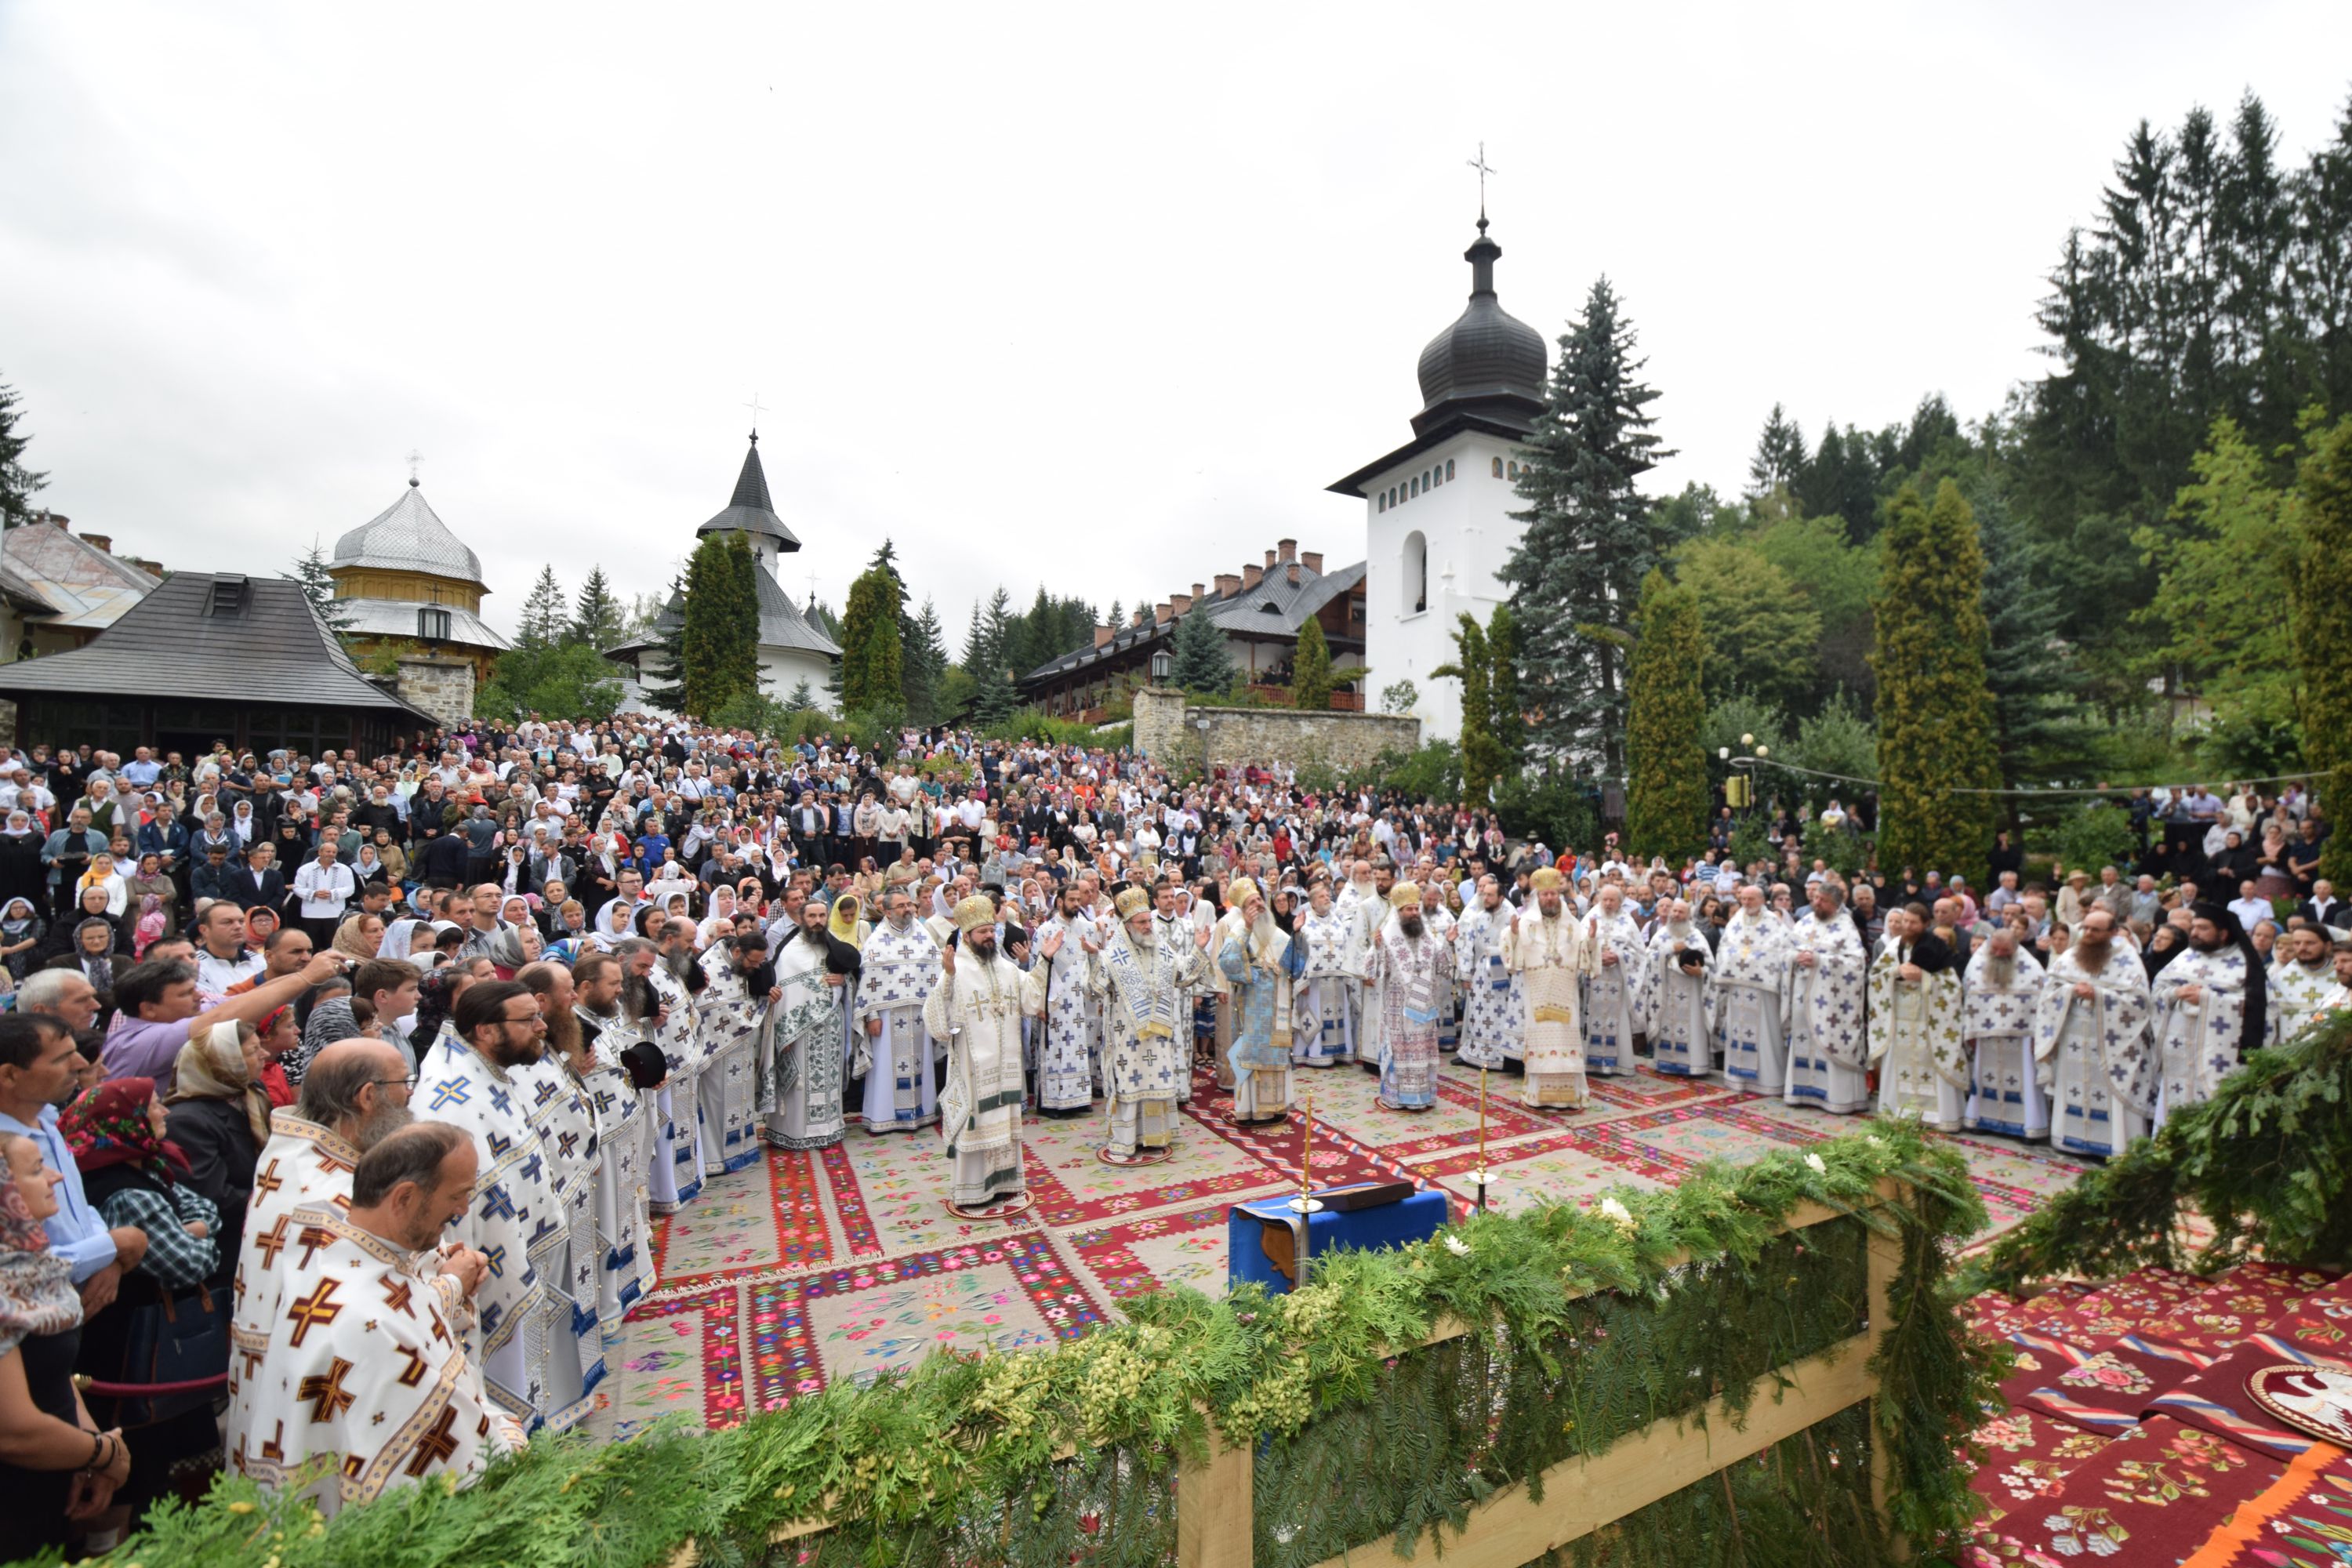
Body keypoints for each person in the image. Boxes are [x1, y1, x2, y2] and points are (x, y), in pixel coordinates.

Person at [233, 1123, 521, 1519]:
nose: (463, 1212)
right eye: (457, 1196)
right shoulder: (365, 1321)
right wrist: (508, 1436)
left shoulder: (341, 1258)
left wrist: (451, 1283)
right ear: (404, 1197)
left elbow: (412, 1309)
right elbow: (454, 1461)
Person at [414, 981, 588, 1433]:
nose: (542, 1027)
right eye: (528, 1020)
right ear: (487, 1031)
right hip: (489, 1265)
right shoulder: (451, 1097)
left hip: (522, 1241)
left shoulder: (484, 1068)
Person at [57, 1077, 223, 1521]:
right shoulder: (128, 1188)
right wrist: (198, 1236)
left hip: (144, 1345)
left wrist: (189, 1230)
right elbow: (189, 1264)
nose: (165, 1112)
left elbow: (204, 1210)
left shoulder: (140, 1166)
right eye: (153, 1105)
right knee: (143, 1473)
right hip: (138, 1353)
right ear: (124, 1122)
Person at [0, 1132, 131, 1563]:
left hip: (45, 1488)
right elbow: (14, 1432)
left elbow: (53, 1374)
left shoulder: (28, 1265)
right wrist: (105, 1453)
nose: (56, 1177)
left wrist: (89, 1446)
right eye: (37, 1170)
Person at [0, 1013, 147, 1314]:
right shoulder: (6, 1148)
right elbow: (12, 1268)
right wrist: (113, 1246)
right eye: (61, 1059)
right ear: (10, 1075)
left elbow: (77, 1208)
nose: (80, 1064)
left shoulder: (48, 1121)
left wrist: (108, 1255)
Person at [925, 895, 1047, 1215]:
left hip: (1004, 1069)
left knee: (1004, 1122)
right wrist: (948, 977)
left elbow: (1032, 1000)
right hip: (972, 1068)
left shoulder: (1005, 968)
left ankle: (1005, 1185)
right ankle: (971, 1191)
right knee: (975, 1124)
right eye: (983, 932)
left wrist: (1043, 959)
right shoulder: (955, 969)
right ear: (967, 937)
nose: (990, 936)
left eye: (992, 930)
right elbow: (937, 1020)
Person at [565, 951, 657, 1333]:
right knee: (605, 1220)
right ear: (586, 987)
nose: (621, 990)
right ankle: (607, 1303)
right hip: (598, 1141)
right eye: (613, 984)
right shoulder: (571, 1028)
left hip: (619, 1132)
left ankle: (627, 1286)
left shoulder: (596, 1019)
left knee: (622, 1213)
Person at [1089, 884, 1211, 1161]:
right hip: (1126, 1037)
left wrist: (1199, 949)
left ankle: (1155, 1136)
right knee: (1130, 1085)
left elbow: (1183, 975)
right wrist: (1095, 959)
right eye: (1141, 922)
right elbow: (1094, 988)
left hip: (1157, 1034)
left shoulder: (1163, 951)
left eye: (1148, 921)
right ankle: (1127, 1138)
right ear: (1128, 925)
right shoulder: (1112, 957)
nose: (1147, 926)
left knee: (1156, 1081)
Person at [2033, 909, 2157, 1160]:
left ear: (2112, 933)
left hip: (2112, 1041)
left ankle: (2116, 1145)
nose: (2088, 934)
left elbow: (2140, 1002)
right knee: (2074, 1084)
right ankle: (2070, 1140)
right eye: (2086, 928)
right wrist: (2071, 991)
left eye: (2095, 930)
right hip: (2074, 1037)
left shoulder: (2127, 959)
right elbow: (2049, 993)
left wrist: (2098, 995)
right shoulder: (2070, 956)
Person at [161, 1022, 271, 1272]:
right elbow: (215, 1196)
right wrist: (278, 1203)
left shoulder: (252, 1094)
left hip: (258, 1231)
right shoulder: (187, 1122)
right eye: (254, 1050)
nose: (264, 1054)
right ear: (225, 1062)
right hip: (227, 1252)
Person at [2149, 902, 2267, 1132]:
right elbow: (2157, 993)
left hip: (2219, 1056)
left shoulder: (2245, 965)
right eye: (2194, 927)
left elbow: (2259, 1010)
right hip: (2178, 1050)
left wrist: (2207, 999)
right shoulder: (2185, 958)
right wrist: (2176, 993)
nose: (2194, 933)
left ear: (2223, 933)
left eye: (2203, 928)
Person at [761, 899, 859, 1151]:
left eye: (822, 916)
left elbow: (851, 976)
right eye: (812, 916)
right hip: (799, 1032)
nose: (818, 921)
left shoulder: (832, 946)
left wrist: (844, 980)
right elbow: (783, 992)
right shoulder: (790, 950)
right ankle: (794, 1133)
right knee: (801, 1082)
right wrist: (784, 1033)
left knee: (829, 1077)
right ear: (803, 919)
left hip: (832, 1026)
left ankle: (829, 1127)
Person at [852, 887, 943, 1134]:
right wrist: (871, 1016)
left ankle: (921, 1113)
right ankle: (882, 1116)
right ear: (888, 911)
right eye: (901, 906)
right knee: (885, 1068)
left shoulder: (923, 936)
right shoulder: (877, 939)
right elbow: (868, 981)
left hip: (919, 1014)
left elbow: (936, 972)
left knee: (920, 1063)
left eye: (909, 905)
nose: (908, 910)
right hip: (886, 1015)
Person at [1216, 879, 1306, 1126]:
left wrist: (1297, 934)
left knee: (1276, 1056)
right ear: (1243, 909)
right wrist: (1246, 927)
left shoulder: (1277, 933)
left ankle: (1276, 1107)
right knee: (1253, 1057)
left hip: (1278, 1007)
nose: (1258, 905)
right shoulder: (1238, 930)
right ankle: (1251, 1111)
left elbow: (1295, 967)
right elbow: (1227, 962)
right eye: (1251, 903)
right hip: (1253, 1008)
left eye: (1258, 900)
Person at [1867, 905, 1966, 1130]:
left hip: (1929, 1018)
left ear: (1925, 924)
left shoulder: (1937, 947)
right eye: (1905, 921)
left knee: (1930, 1063)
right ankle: (1900, 1112)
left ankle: (1937, 1116)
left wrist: (1924, 977)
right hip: (1900, 1016)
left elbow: (1953, 986)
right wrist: (1895, 973)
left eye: (1913, 923)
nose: (1907, 926)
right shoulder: (1894, 946)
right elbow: (1875, 976)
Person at [1503, 866, 1590, 1109]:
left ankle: (1569, 1098)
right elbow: (1512, 958)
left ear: (1559, 897)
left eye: (1553, 894)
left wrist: (1592, 941)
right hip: (1537, 998)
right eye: (1544, 895)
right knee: (1541, 1044)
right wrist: (1511, 935)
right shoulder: (1526, 923)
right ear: (1538, 897)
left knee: (1565, 1041)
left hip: (1565, 996)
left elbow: (1587, 953)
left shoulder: (1573, 926)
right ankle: (1538, 1096)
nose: (1549, 898)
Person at [1781, 880, 1871, 1115]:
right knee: (1803, 1040)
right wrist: (1795, 957)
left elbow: (1856, 964)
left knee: (1827, 1043)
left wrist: (1821, 960)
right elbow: (1785, 951)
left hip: (1832, 1002)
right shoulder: (1805, 922)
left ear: (1836, 904)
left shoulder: (1845, 927)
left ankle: (1836, 1097)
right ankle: (1801, 1092)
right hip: (1803, 994)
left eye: (1823, 900)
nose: (1817, 902)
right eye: (1816, 898)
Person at [1367, 881, 1453, 1112]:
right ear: (1399, 912)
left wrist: (1449, 943)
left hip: (1424, 1008)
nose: (1414, 913)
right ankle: (1398, 1097)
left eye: (1416, 909)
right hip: (1397, 1009)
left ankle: (1423, 1096)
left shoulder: (1427, 937)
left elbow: (1444, 968)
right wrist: (1376, 949)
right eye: (1409, 910)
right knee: (1400, 1052)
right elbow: (1371, 972)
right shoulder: (1386, 936)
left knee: (1422, 1051)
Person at [692, 931, 772, 1171]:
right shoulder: (710, 968)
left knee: (741, 1099)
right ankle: (717, 1158)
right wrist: (756, 1010)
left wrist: (766, 996)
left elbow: (748, 1000)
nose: (756, 967)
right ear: (738, 952)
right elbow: (709, 1009)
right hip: (719, 1049)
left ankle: (743, 1150)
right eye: (753, 962)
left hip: (742, 1047)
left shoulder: (740, 968)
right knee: (718, 1101)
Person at [1962, 928, 2050, 1140]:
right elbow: (1969, 996)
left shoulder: (2032, 968)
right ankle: (1982, 1119)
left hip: (2022, 1037)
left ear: (2016, 947)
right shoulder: (1977, 964)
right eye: (1996, 949)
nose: (2000, 954)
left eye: (2006, 950)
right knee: (1985, 1076)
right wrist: (1971, 1030)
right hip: (1986, 1035)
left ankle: (2028, 1125)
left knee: (2024, 1080)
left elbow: (2042, 1002)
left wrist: (2038, 1036)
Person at [1711, 884, 1792, 1096]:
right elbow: (1724, 948)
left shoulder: (1774, 923)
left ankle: (1769, 1080)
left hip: (1763, 990)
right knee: (1737, 1031)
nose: (1746, 903)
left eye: (1751, 899)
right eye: (1744, 900)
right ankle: (1737, 1079)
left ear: (1762, 900)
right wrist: (1737, 962)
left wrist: (1750, 962)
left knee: (1765, 1033)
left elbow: (1782, 952)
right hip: (1738, 988)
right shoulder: (1736, 921)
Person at [1033, 881, 1102, 1118]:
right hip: (1056, 1002)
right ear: (1060, 902)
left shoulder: (1089, 928)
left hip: (1082, 1000)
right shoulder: (1045, 931)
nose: (1076, 903)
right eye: (1071, 900)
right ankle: (1053, 1102)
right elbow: (1038, 970)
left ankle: (1080, 1099)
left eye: (1078, 899)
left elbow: (1095, 961)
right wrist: (1040, 1003)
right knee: (1055, 1050)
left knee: (1080, 1049)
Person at [1639, 898, 1713, 1079]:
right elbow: (1648, 958)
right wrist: (1671, 949)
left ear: (1688, 916)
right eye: (1674, 911)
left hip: (1692, 994)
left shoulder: (1696, 936)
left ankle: (1693, 1065)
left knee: (1692, 1027)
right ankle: (1665, 1063)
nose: (1676, 915)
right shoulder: (1661, 934)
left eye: (1681, 912)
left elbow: (1711, 965)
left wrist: (1701, 971)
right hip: (1665, 992)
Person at [1294, 880, 1361, 1069]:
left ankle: (1339, 1052)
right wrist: (1302, 982)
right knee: (1315, 1017)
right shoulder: (1305, 924)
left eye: (1328, 896)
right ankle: (1314, 1054)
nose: (1327, 899)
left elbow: (1347, 951)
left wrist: (1349, 979)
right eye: (1322, 896)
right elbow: (1299, 954)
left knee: (1339, 1016)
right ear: (1313, 902)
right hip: (1314, 985)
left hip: (1337, 982)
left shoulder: (1337, 923)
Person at [1452, 876, 1517, 1073]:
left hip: (1502, 972)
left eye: (1490, 895)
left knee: (1501, 1013)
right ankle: (1474, 1053)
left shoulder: (1511, 915)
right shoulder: (1477, 916)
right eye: (1483, 894)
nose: (1485, 898)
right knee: (1477, 1013)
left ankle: (1501, 1056)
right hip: (1480, 971)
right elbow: (1466, 945)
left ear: (1501, 898)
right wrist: (1465, 974)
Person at [1580, 884, 1646, 1078]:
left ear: (1620, 902)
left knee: (1616, 1022)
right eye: (1605, 900)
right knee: (1592, 1020)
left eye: (1612, 900)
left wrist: (1619, 957)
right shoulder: (1590, 919)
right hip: (1594, 981)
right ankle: (1590, 1063)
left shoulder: (1627, 922)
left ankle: (1617, 1064)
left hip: (1618, 979)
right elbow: (1579, 944)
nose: (1608, 904)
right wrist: (1595, 955)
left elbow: (1640, 954)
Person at [2269, 924, 2338, 1044]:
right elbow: (2271, 1017)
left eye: (2310, 943)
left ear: (2327, 946)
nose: (2302, 948)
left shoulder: (2342, 977)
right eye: (2297, 943)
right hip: (2288, 1051)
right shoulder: (2281, 977)